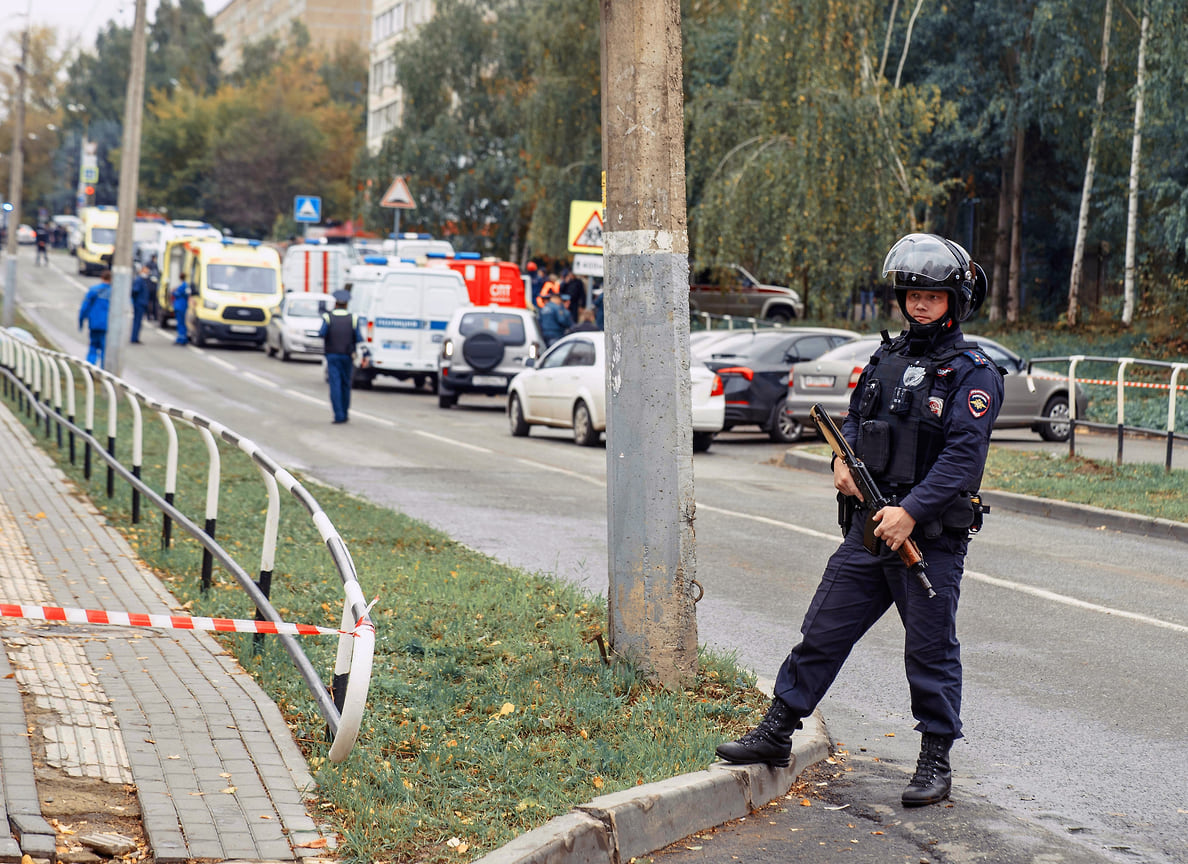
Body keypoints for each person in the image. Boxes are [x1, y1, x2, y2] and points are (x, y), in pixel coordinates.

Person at [715, 233, 1004, 809]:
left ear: (956, 300)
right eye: (911, 293)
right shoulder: (886, 359)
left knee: (929, 650)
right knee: (822, 631)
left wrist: (911, 511)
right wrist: (839, 462)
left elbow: (962, 460)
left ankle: (935, 759)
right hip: (868, 528)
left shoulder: (973, 374)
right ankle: (777, 731)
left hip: (929, 540)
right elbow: (853, 422)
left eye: (933, 295)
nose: (919, 304)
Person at [318, 290, 363, 424]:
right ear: (347, 304)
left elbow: (321, 333)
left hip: (332, 355)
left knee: (335, 385)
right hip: (348, 356)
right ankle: (345, 413)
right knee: (345, 384)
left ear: (336, 303)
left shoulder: (328, 317)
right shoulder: (353, 318)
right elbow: (359, 338)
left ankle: (338, 415)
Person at [78, 269, 112, 365]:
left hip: (94, 323)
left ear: (102, 278)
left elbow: (84, 307)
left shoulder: (94, 290)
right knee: (104, 350)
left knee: (93, 347)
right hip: (107, 325)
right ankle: (103, 373)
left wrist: (81, 322)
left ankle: (90, 369)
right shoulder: (114, 293)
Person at [130, 265, 151, 343]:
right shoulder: (139, 280)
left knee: (139, 322)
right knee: (137, 321)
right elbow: (135, 291)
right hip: (139, 303)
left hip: (142, 303)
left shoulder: (144, 280)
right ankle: (134, 338)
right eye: (146, 270)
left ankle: (135, 337)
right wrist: (136, 301)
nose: (148, 271)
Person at [172, 277, 190, 345]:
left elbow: (176, 294)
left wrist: (173, 291)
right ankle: (182, 338)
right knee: (182, 323)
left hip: (179, 307)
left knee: (180, 323)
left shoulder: (182, 286)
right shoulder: (186, 286)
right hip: (183, 306)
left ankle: (181, 339)